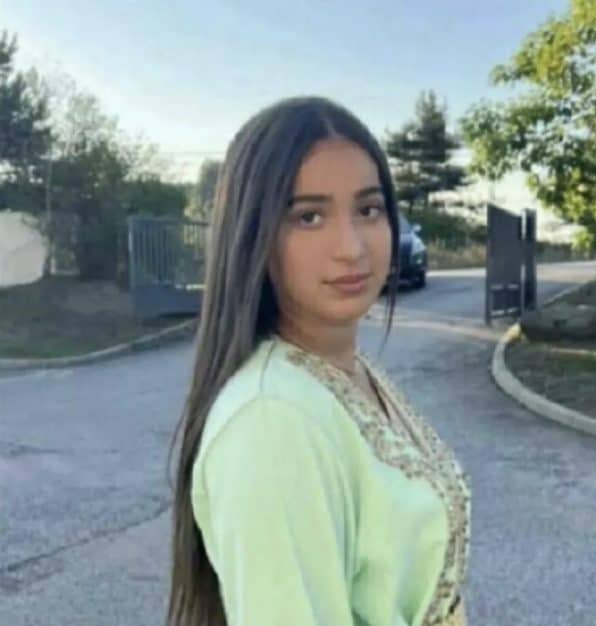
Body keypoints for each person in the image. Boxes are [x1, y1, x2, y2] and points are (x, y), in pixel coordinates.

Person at [165, 96, 472, 626]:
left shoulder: (347, 371)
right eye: (309, 216)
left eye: (369, 210)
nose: (351, 246)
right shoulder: (272, 421)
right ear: (254, 236)